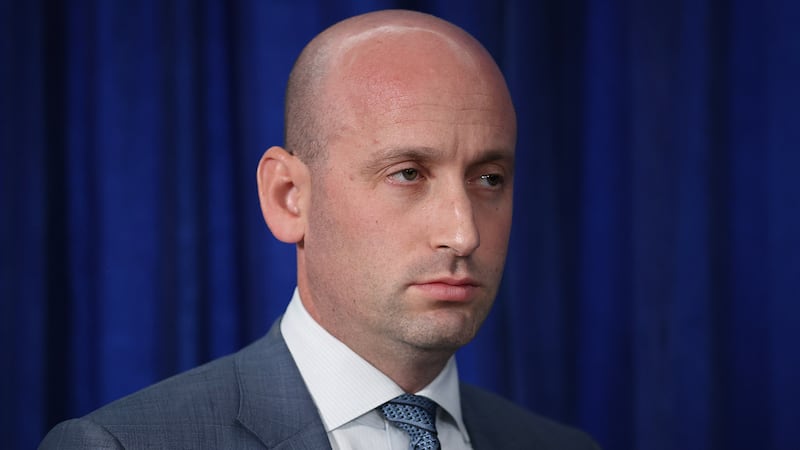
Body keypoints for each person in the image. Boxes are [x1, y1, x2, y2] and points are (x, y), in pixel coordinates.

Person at [40, 9, 599, 450]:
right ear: (289, 198)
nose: (463, 233)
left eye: (489, 178)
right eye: (408, 173)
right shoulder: (124, 446)